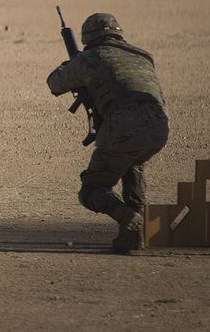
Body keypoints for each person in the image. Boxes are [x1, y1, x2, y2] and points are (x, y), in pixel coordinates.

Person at [46, 13, 169, 254]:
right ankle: (135, 237)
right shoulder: (142, 56)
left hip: (123, 125)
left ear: (88, 38)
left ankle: (126, 217)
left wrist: (71, 64)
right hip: (159, 125)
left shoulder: (90, 58)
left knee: (91, 189)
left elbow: (55, 83)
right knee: (133, 165)